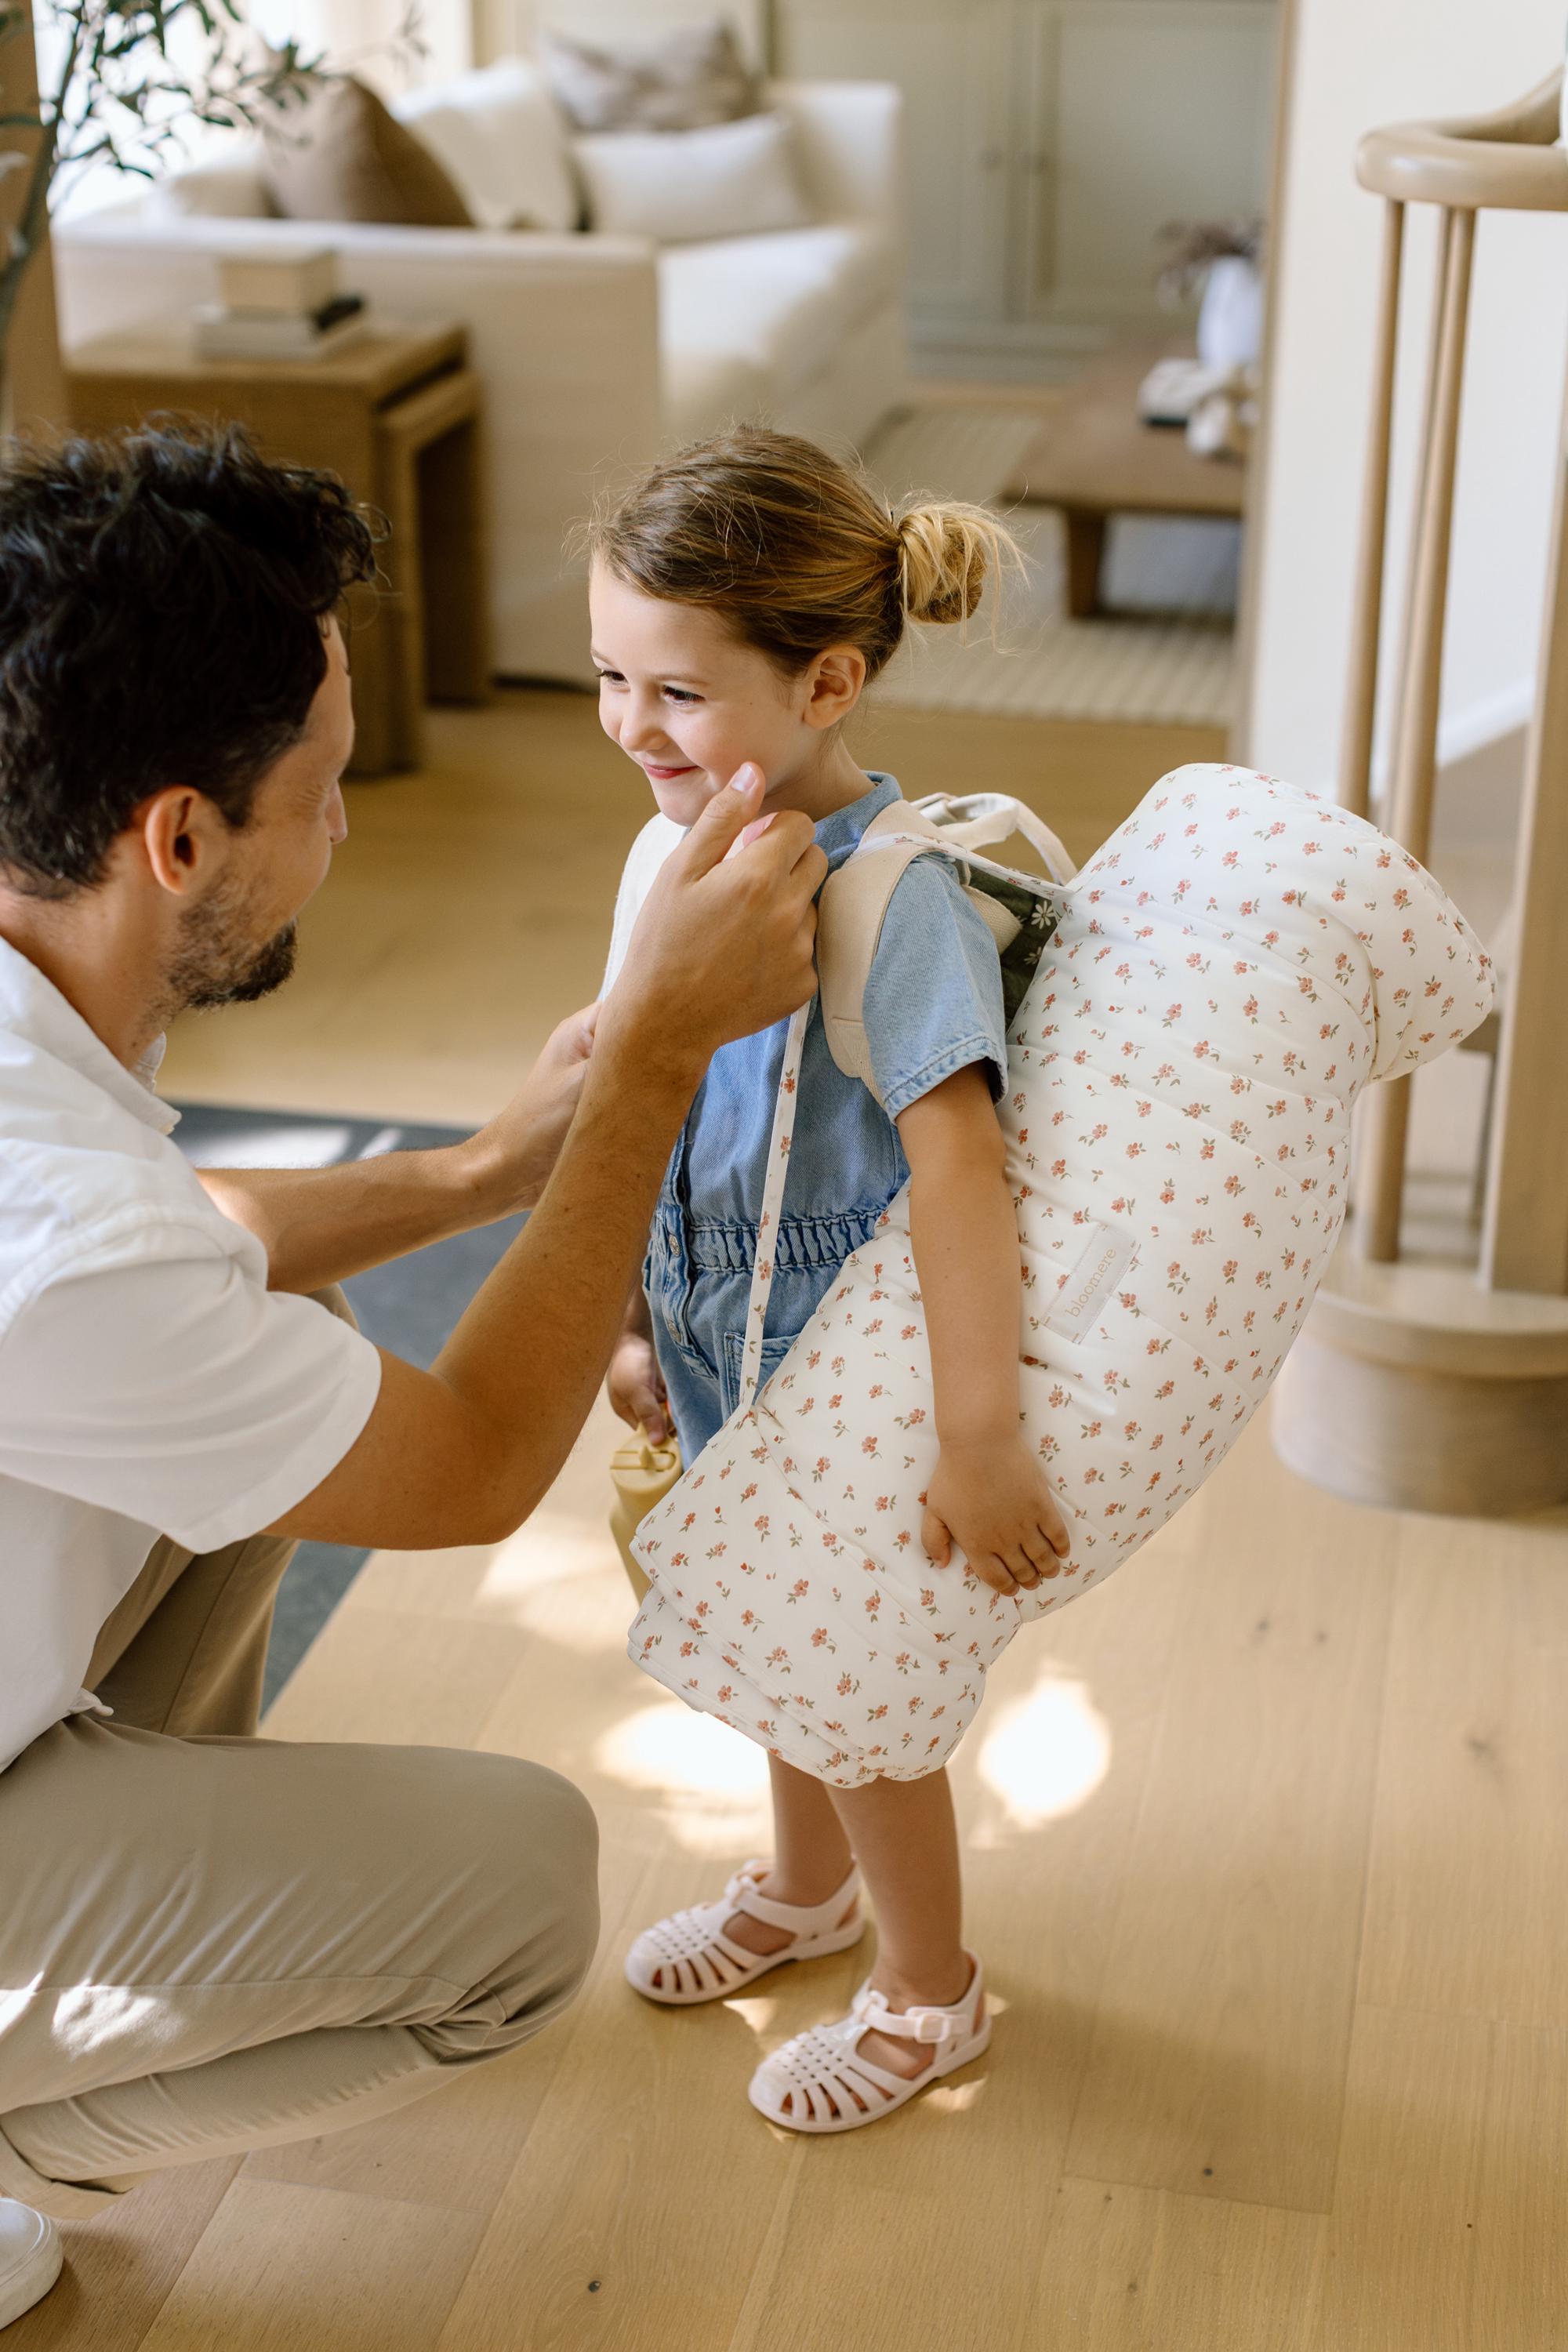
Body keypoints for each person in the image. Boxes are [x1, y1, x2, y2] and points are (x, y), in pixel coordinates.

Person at [0, 419, 826, 2328]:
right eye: (331, 784)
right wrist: (648, 1075)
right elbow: (458, 1475)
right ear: (180, 836)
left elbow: (163, 1245)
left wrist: (479, 1170)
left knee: (267, 1404)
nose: (350, 827)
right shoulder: (62, 1241)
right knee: (522, 1891)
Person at [593, 426, 1071, 2133]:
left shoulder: (902, 896)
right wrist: (645, 1324)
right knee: (761, 1637)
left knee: (857, 1689)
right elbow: (647, 1104)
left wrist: (980, 1432)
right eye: (609, 680)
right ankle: (806, 1892)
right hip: (727, 1341)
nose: (632, 729)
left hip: (857, 1374)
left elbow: (959, 1168)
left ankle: (930, 1993)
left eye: (677, 692)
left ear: (830, 680)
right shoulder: (675, 858)